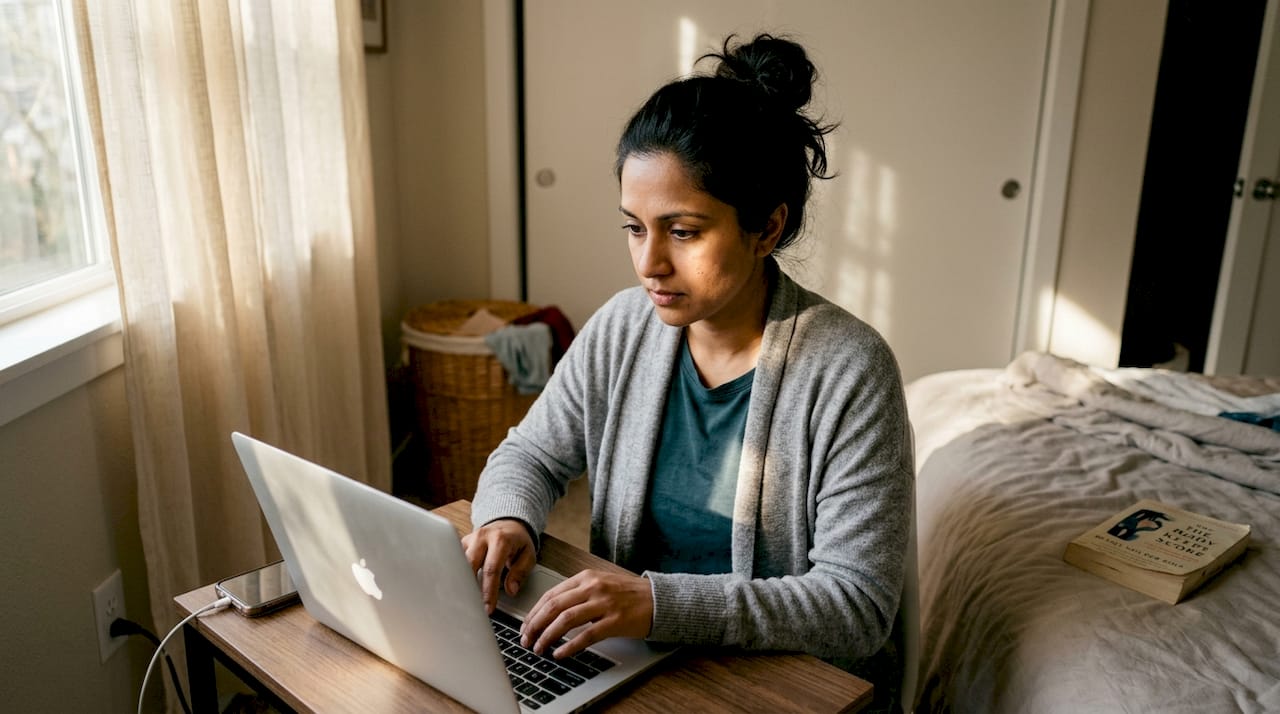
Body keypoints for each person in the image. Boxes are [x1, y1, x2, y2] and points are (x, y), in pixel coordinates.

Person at [463, 33, 913, 709]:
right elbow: (530, 453)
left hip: (776, 684)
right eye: (635, 228)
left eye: (683, 230)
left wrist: (658, 605)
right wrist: (508, 519)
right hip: (627, 656)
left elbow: (856, 605)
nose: (649, 264)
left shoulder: (850, 370)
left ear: (767, 228)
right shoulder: (623, 326)